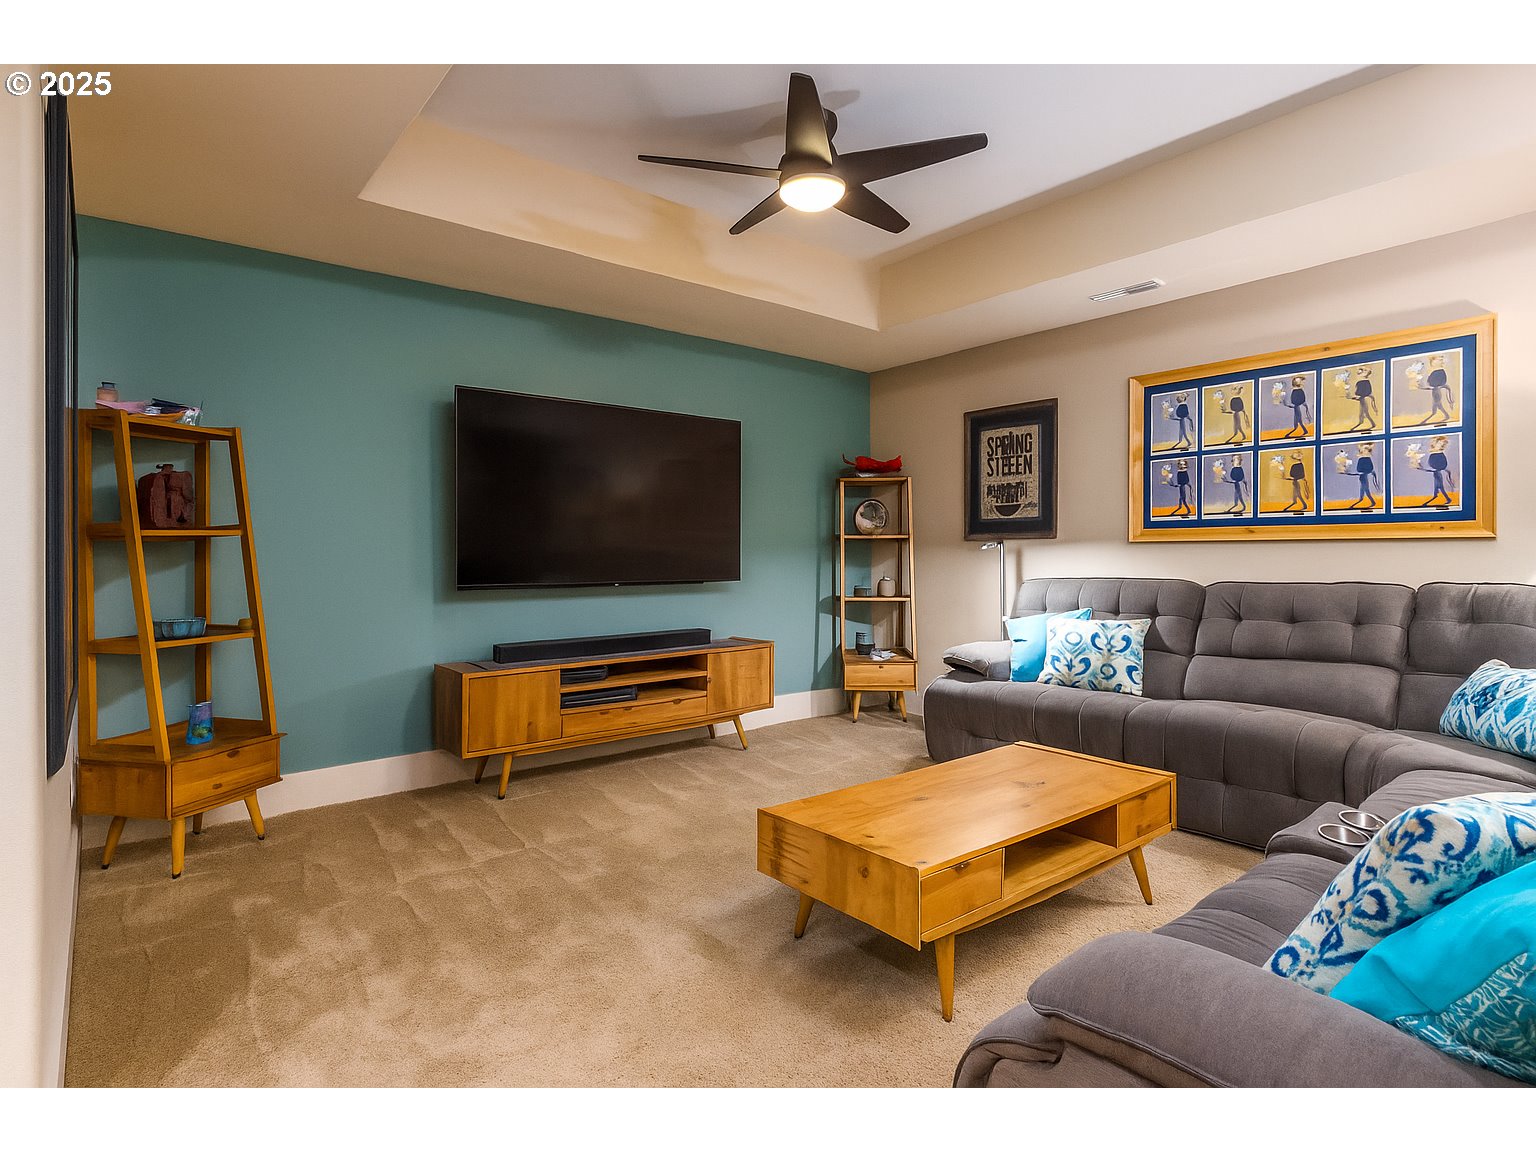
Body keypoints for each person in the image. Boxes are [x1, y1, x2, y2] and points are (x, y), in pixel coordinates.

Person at [1422, 435, 1456, 506]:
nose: (1441, 445)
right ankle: (1438, 496)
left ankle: (1446, 498)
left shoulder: (1440, 454)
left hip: (1438, 471)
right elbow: (1431, 463)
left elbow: (1443, 464)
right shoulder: (1433, 453)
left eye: (1442, 444)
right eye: (1439, 443)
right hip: (1436, 471)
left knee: (1440, 486)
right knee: (1437, 486)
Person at [1424, 354, 1455, 425]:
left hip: (1436, 389)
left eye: (1442, 360)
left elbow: (1442, 381)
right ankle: (1442, 414)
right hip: (1435, 389)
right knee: (1437, 404)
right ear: (1433, 361)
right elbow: (1429, 382)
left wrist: (1437, 386)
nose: (1442, 362)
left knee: (1437, 404)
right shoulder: (1432, 371)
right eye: (1440, 360)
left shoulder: (1440, 371)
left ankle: (1443, 415)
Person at [1349, 442, 1380, 510]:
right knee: (1363, 490)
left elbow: (1370, 468)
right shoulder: (1361, 459)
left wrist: (1366, 472)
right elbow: (1359, 469)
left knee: (1366, 490)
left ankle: (1371, 502)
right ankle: (1367, 501)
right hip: (1362, 477)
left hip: (1364, 477)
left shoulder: (1367, 459)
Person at [1348, 365, 1379, 431]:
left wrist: (1358, 397)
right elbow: (1358, 393)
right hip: (1362, 399)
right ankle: (1368, 424)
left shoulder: (1365, 382)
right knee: (1363, 414)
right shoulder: (1359, 382)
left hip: (1365, 399)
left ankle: (1372, 424)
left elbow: (1367, 392)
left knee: (1365, 413)